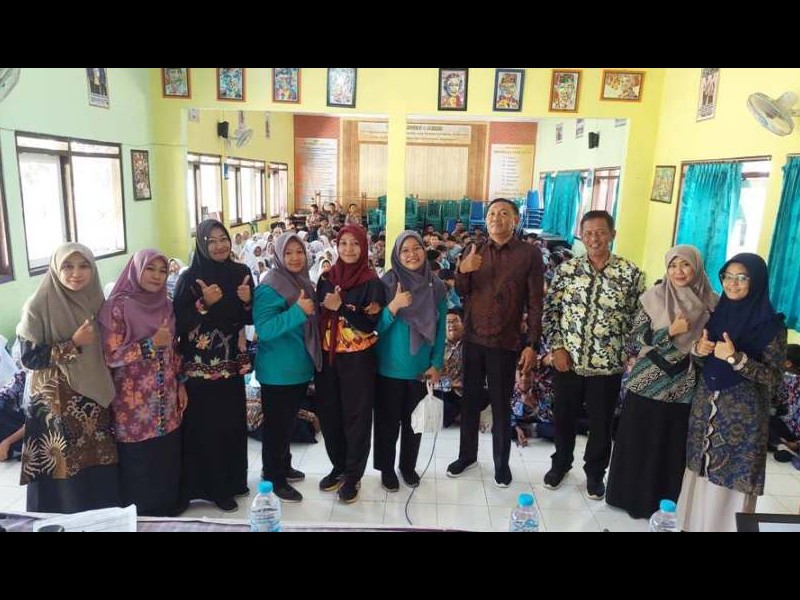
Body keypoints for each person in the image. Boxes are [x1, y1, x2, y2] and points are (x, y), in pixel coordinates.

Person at [605, 245, 718, 519]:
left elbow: (712, 345)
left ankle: (664, 503)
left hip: (685, 386)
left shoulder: (713, 304)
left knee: (669, 445)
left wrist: (701, 349)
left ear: (697, 267)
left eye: (685, 265)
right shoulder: (653, 298)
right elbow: (636, 339)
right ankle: (627, 498)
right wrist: (671, 331)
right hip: (646, 382)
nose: (679, 271)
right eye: (672, 265)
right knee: (638, 441)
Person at [678, 253, 786, 532]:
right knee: (699, 473)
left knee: (729, 482)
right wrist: (699, 351)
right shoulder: (717, 316)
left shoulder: (772, 327)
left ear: (756, 281)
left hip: (742, 421)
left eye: (741, 278)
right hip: (706, 410)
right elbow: (704, 361)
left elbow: (774, 377)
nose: (732, 284)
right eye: (727, 276)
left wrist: (736, 359)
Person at [542, 210, 645, 500]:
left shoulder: (631, 273)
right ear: (581, 236)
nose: (594, 238)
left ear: (612, 234)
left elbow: (639, 320)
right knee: (563, 418)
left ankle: (595, 474)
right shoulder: (567, 271)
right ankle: (561, 464)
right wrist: (557, 348)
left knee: (601, 424)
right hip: (568, 362)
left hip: (607, 366)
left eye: (600, 232)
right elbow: (551, 312)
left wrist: (629, 353)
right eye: (588, 233)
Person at [447, 197, 543, 488]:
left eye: (503, 213)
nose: (496, 218)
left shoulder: (529, 254)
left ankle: (502, 464)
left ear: (515, 220)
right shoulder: (474, 249)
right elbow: (461, 291)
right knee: (470, 402)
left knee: (501, 406)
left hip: (505, 340)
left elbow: (535, 303)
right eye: (492, 213)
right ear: (485, 220)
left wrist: (532, 343)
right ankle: (467, 456)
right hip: (473, 338)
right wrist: (463, 269)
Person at [16, 242, 120, 513]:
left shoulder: (96, 299)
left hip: (93, 392)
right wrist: (72, 344)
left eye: (84, 266)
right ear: (55, 268)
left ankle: (100, 518)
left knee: (96, 457)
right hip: (56, 401)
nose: (76, 273)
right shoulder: (38, 305)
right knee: (64, 462)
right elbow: (29, 358)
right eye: (68, 266)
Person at [173, 219, 254, 513]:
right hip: (199, 370)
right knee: (204, 429)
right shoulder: (189, 278)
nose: (220, 246)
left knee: (231, 425)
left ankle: (232, 483)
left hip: (230, 367)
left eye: (223, 239)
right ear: (201, 244)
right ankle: (211, 489)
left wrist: (248, 302)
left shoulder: (241, 272)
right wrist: (204, 304)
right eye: (212, 241)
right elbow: (179, 323)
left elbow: (249, 319)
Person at [98, 249, 187, 517]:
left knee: (165, 453)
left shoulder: (166, 304)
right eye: (150, 269)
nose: (157, 276)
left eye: (163, 270)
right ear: (137, 270)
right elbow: (110, 355)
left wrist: (181, 382)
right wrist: (149, 345)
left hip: (166, 395)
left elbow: (173, 348)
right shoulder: (116, 307)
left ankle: (166, 507)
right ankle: (141, 513)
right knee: (139, 458)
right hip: (132, 401)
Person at [315, 225, 386, 503]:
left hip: (358, 360)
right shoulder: (325, 278)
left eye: (355, 243)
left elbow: (370, 325)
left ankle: (354, 475)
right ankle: (339, 467)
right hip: (328, 358)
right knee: (330, 414)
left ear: (363, 247)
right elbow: (318, 316)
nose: (348, 249)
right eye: (343, 243)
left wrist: (341, 307)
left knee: (357, 417)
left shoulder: (371, 282)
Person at [373, 231, 446, 491]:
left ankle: (407, 467)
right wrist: (394, 306)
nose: (412, 254)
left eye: (417, 248)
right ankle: (386, 470)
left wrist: (437, 363)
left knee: (414, 424)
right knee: (387, 424)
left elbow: (440, 330)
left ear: (424, 251)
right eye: (405, 250)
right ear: (397, 255)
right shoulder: (386, 283)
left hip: (420, 370)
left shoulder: (436, 286)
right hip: (388, 369)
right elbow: (375, 328)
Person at [253, 232, 322, 503]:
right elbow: (264, 329)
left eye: (299, 252)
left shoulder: (302, 281)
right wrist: (297, 312)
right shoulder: (270, 286)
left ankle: (284, 464)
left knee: (288, 423)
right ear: (278, 255)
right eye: (288, 253)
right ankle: (273, 477)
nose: (295, 258)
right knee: (276, 428)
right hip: (277, 372)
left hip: (298, 369)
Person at [441, 308, 465, 428]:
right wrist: (450, 383)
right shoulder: (436, 346)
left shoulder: (470, 346)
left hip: (464, 391)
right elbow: (423, 375)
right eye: (448, 322)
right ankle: (456, 415)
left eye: (455, 321)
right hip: (441, 391)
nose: (451, 324)